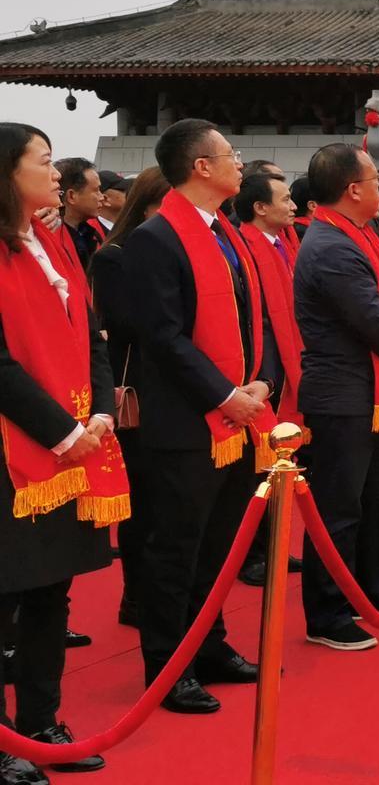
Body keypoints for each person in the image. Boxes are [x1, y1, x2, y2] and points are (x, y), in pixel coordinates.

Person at [120, 120, 274, 712]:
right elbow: (163, 336)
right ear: (201, 168)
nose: (241, 163)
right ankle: (166, 666)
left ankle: (210, 645)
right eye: (231, 155)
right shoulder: (156, 239)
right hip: (187, 422)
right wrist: (222, 395)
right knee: (175, 549)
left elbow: (253, 316)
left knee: (218, 546)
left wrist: (260, 380)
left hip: (237, 411)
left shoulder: (226, 233)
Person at [0, 122, 122, 780]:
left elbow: (91, 333)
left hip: (71, 442)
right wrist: (62, 430)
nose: (57, 173)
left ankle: (40, 720)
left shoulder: (52, 241)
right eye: (43, 162)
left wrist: (99, 409)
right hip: (15, 448)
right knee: (4, 599)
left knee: (52, 592)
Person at [293, 143, 379, 652]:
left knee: (374, 499)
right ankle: (327, 612)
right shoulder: (331, 246)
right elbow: (370, 316)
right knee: (338, 507)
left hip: (373, 391)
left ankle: (371, 587)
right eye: (376, 180)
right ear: (354, 190)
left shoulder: (359, 237)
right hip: (343, 393)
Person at [90, 166, 169, 628]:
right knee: (144, 501)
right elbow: (127, 322)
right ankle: (136, 595)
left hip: (175, 389)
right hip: (138, 387)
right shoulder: (114, 256)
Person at [231, 171, 310, 588]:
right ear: (260, 208)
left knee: (277, 464)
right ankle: (252, 555)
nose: (293, 205)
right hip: (263, 371)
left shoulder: (285, 244)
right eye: (284, 198)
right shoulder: (245, 247)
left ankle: (272, 544)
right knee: (255, 470)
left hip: (288, 361)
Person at [55, 157, 104, 272]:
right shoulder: (51, 239)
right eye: (96, 190)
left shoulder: (91, 234)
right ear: (72, 196)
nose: (101, 197)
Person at [95, 169, 127, 239]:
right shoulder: (90, 234)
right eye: (123, 190)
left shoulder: (128, 228)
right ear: (105, 199)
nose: (129, 193)